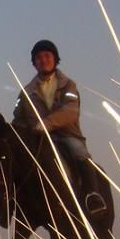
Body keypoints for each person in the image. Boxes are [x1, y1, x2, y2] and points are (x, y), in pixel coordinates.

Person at [12, 39, 107, 220]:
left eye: (47, 56)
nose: (43, 60)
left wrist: (46, 123)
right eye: (38, 58)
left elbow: (71, 111)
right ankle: (13, 201)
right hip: (39, 139)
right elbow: (18, 118)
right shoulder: (25, 92)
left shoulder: (68, 85)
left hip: (66, 135)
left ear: (55, 59)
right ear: (34, 63)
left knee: (79, 151)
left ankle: (93, 196)